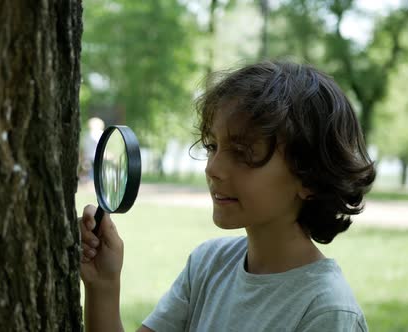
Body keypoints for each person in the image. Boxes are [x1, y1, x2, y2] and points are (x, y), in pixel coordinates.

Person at [79, 61, 376, 331]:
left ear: (310, 176)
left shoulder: (325, 312)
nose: (213, 168)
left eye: (243, 153)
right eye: (212, 147)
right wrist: (103, 286)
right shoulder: (208, 265)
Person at [81, 117, 105, 182]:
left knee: (89, 171)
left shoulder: (87, 134)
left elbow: (84, 146)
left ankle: (89, 183)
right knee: (97, 171)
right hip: (97, 155)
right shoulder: (100, 133)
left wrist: (83, 156)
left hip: (88, 155)